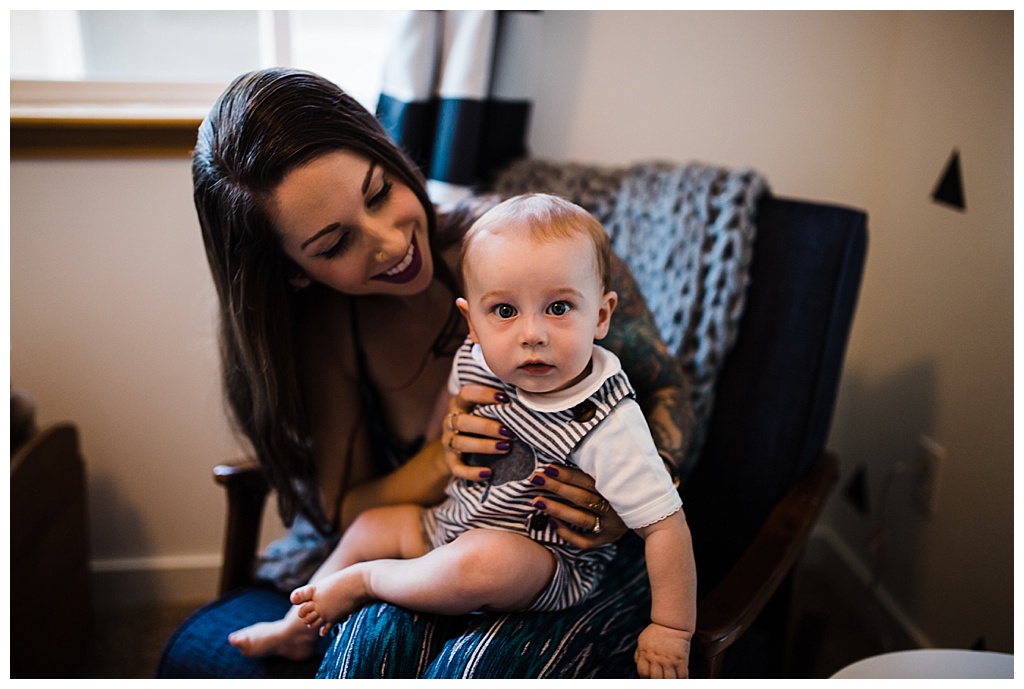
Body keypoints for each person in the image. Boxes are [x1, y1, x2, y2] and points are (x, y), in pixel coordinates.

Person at [157, 68, 694, 679]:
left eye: (380, 192)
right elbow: (348, 512)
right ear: (294, 271)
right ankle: (302, 629)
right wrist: (440, 459)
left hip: (562, 550)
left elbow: (665, 388)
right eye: (335, 244)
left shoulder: (522, 251)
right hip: (441, 533)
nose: (389, 242)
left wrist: (633, 495)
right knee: (369, 647)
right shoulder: (329, 333)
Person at [226, 194, 697, 678]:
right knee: (372, 526)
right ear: (471, 320)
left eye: (558, 307)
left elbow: (665, 525)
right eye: (504, 311)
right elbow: (445, 423)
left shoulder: (607, 418)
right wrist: (443, 444)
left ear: (601, 315)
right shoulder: (475, 359)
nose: (531, 333)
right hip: (450, 522)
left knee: (484, 562)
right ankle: (297, 627)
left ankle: (368, 580)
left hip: (542, 560)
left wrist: (670, 629)